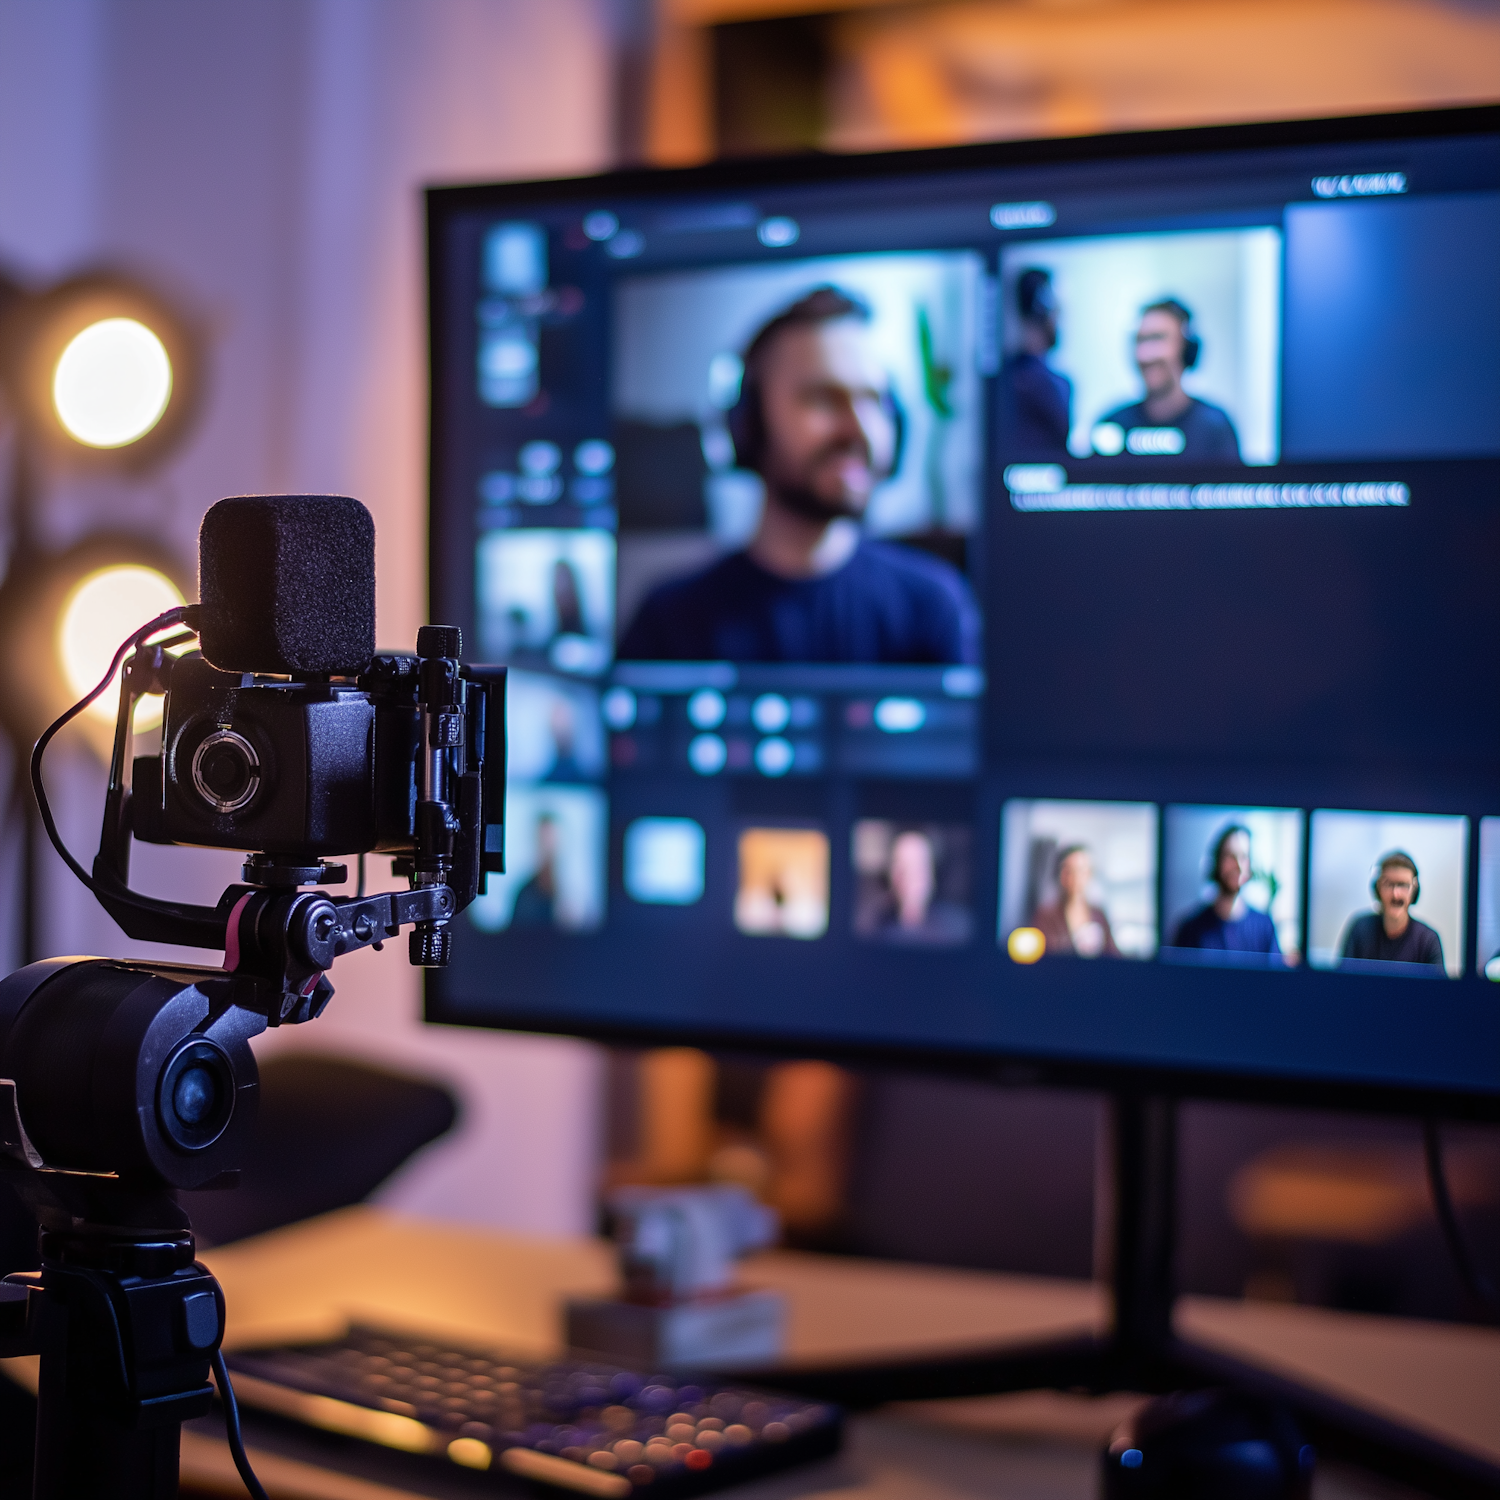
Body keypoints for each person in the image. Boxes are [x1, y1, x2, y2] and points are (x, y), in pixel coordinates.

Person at [619, 286, 980, 664]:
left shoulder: (932, 608)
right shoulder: (669, 623)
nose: (859, 429)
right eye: (823, 398)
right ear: (749, 426)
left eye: (873, 399)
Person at [1098, 299, 1241, 462]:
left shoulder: (1214, 427)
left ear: (1187, 350)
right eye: (1140, 340)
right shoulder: (1112, 425)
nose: (1146, 354)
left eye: (1157, 338)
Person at [1171, 825, 1282, 957]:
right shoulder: (1191, 929)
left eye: (1244, 857)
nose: (1239, 866)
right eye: (1231, 856)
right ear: (1217, 861)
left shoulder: (1264, 927)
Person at [997, 268, 1072, 459]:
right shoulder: (1012, 379)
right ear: (1042, 309)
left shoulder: (1058, 382)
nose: (1060, 317)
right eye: (1056, 308)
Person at [1338, 851, 1444, 968]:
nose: (1395, 895)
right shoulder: (1359, 930)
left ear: (1414, 891)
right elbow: (1341, 982)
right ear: (1378, 889)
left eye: (1403, 885)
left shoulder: (1428, 940)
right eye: (1388, 884)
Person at [865, 828, 970, 945]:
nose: (908, 877)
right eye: (901, 867)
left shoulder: (958, 928)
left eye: (916, 868)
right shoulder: (876, 931)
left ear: (932, 873)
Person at [1031, 844, 1119, 958]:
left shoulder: (1099, 914)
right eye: (1068, 870)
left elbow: (1113, 954)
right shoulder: (1045, 915)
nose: (1075, 877)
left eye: (1081, 870)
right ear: (1060, 874)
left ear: (1089, 874)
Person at [510, 815, 560, 927]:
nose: (548, 847)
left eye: (552, 839)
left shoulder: (573, 893)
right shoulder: (524, 894)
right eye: (544, 839)